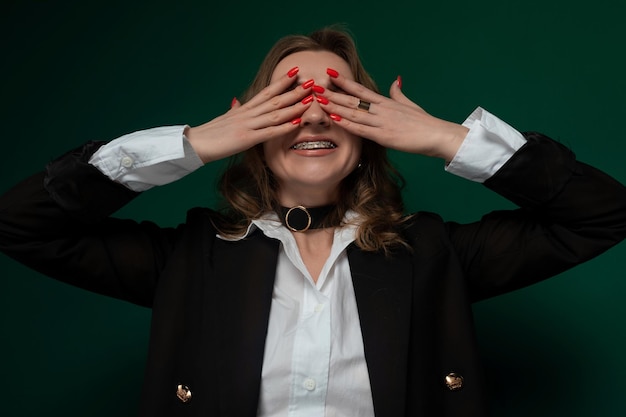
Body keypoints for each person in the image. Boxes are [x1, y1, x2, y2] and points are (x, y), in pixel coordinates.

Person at [1, 27, 625, 417]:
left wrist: (446, 139)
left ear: (366, 127)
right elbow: (21, 224)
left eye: (336, 99)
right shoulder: (192, 258)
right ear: (251, 129)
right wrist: (191, 143)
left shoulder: (433, 251)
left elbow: (601, 214)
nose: (315, 117)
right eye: (292, 99)